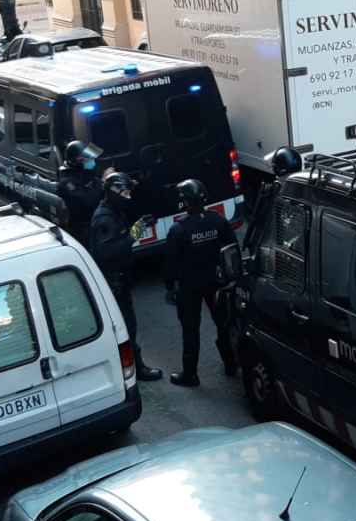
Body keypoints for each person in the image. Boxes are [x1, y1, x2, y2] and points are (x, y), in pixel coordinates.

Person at [90, 171, 165, 381]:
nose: (127, 197)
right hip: (114, 281)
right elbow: (109, 251)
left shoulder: (113, 211)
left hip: (119, 278)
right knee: (125, 327)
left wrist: (140, 223)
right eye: (124, 193)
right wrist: (136, 231)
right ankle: (135, 369)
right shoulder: (104, 219)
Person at [164, 178, 238, 387]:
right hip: (216, 283)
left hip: (189, 287)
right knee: (223, 323)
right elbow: (232, 250)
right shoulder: (218, 221)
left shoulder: (179, 230)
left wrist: (170, 288)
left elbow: (170, 264)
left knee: (190, 330)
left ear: (184, 202)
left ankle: (190, 374)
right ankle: (231, 363)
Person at [56, 140, 103, 242]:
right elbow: (88, 201)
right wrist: (103, 181)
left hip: (97, 224)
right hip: (83, 232)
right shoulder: (67, 183)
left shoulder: (85, 174)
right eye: (89, 159)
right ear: (78, 160)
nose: (93, 161)